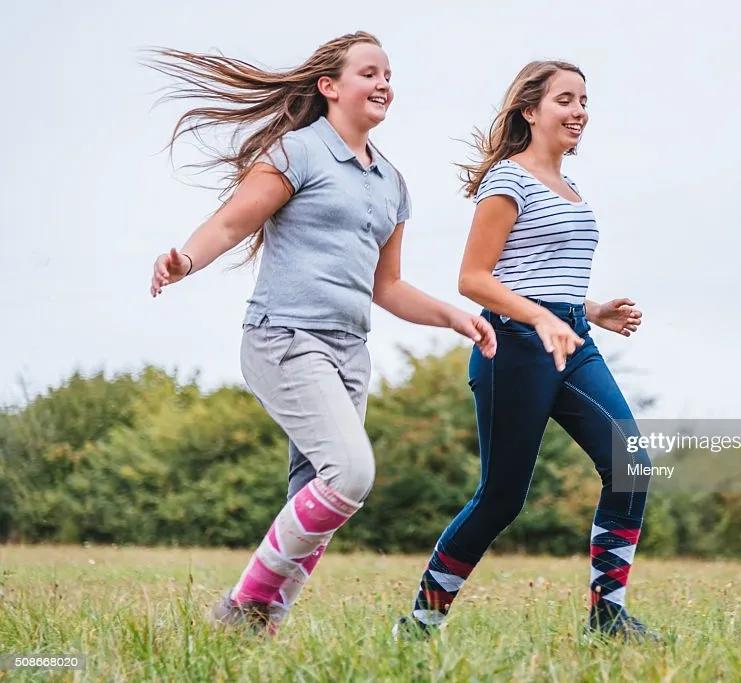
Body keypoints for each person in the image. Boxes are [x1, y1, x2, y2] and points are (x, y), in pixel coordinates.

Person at [146, 31, 496, 635]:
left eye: (388, 73)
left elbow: (387, 287)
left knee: (317, 497)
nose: (383, 82)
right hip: (283, 338)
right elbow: (232, 221)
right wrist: (186, 260)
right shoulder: (297, 153)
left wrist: (453, 316)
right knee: (352, 473)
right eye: (368, 72)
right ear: (329, 87)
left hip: (347, 352)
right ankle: (242, 604)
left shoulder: (392, 183)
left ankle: (260, 627)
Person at [395, 60, 656, 641]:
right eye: (566, 99)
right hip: (514, 346)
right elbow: (474, 279)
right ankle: (420, 622)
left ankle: (606, 616)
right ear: (530, 110)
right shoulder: (506, 181)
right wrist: (542, 317)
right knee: (502, 498)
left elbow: (539, 277)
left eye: (584, 101)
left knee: (631, 465)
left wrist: (587, 313)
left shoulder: (571, 187)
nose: (579, 112)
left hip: (571, 340)